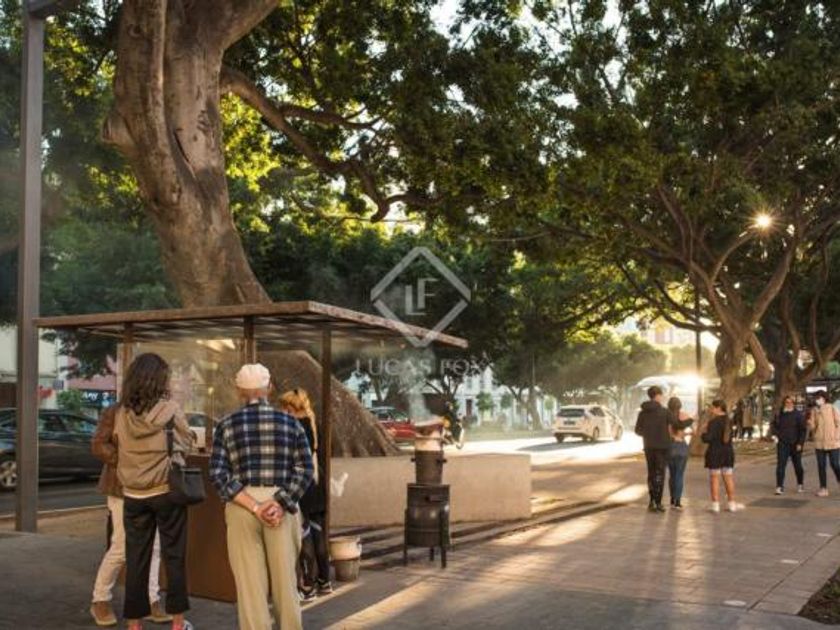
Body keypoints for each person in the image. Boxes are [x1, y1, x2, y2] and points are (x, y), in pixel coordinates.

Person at [210, 364, 314, 630]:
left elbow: (219, 474)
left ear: (239, 391)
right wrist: (280, 502)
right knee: (286, 584)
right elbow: (305, 469)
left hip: (242, 505)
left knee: (250, 588)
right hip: (281, 505)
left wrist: (255, 507)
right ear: (269, 388)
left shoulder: (225, 425)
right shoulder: (291, 423)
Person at [113, 353, 193, 630]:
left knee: (136, 560)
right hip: (165, 492)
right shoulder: (170, 410)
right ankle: (177, 624)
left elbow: (118, 445)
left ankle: (134, 625)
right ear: (160, 380)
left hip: (133, 495)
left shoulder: (122, 413)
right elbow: (186, 443)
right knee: (174, 557)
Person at [90, 404, 171, 627]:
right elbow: (98, 444)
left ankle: (151, 599)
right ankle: (100, 599)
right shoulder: (116, 411)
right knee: (121, 546)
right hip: (121, 487)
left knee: (155, 546)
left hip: (154, 485)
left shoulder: (159, 411)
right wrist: (128, 460)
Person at [279, 388, 332, 602]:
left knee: (304, 536)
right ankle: (324, 581)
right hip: (316, 485)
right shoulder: (312, 423)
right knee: (319, 534)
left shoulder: (293, 427)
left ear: (290, 408)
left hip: (301, 486)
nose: (281, 411)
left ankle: (307, 586)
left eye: (284, 408)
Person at [635, 386, 692, 513]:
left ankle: (652, 501)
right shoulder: (665, 412)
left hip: (649, 446)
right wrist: (691, 420)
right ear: (658, 395)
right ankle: (658, 502)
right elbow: (677, 425)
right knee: (660, 473)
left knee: (651, 473)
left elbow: (638, 430)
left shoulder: (642, 412)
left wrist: (649, 434)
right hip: (662, 447)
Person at [701, 399, 743, 513]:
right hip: (727, 452)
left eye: (712, 407)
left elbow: (708, 438)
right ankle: (731, 503)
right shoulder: (729, 421)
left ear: (718, 408)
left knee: (714, 478)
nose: (711, 410)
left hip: (715, 452)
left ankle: (715, 504)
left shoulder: (713, 422)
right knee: (728, 478)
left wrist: (704, 432)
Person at [770, 395, 806, 495]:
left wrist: (800, 443)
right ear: (784, 403)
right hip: (782, 443)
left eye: (791, 402)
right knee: (780, 465)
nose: (789, 404)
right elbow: (773, 425)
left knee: (798, 466)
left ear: (793, 404)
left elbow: (803, 430)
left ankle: (800, 484)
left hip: (795, 444)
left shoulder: (798, 415)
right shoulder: (780, 414)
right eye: (787, 402)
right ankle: (779, 486)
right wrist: (775, 435)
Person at [808, 390, 840, 497]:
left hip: (833, 442)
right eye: (816, 398)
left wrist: (836, 436)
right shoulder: (814, 410)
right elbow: (813, 426)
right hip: (819, 442)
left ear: (824, 398)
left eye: (819, 398)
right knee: (821, 466)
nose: (817, 400)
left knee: (835, 464)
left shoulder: (832, 408)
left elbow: (838, 423)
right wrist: (810, 423)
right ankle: (823, 488)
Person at [666, 397, 693, 510]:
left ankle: (672, 499)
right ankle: (677, 501)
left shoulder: (666, 416)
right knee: (679, 475)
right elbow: (694, 430)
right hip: (681, 446)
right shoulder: (684, 415)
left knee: (672, 474)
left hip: (669, 446)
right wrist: (686, 434)